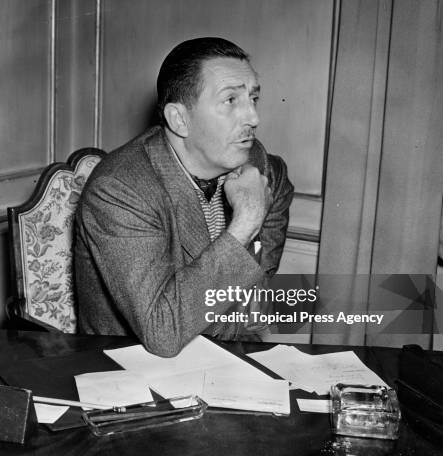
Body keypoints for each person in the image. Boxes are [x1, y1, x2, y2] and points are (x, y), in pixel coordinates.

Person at [74, 37, 294, 356]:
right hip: (128, 370)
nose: (253, 118)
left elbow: (255, 290)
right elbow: (162, 332)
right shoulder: (119, 188)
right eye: (231, 100)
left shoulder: (264, 172)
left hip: (228, 357)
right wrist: (245, 222)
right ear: (180, 119)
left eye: (253, 98)